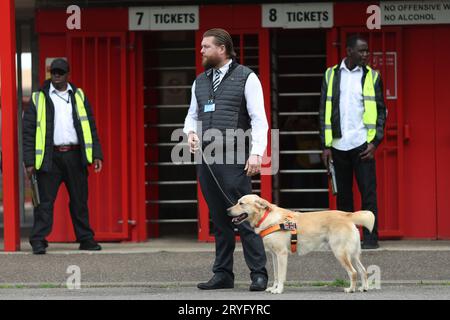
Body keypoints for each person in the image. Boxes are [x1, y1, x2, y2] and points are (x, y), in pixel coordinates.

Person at [183, 28, 269, 290]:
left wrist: (257, 153)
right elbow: (192, 115)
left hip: (234, 156)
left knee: (245, 217)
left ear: (222, 49)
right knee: (219, 219)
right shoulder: (200, 81)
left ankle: (259, 273)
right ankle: (223, 274)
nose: (201, 51)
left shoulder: (247, 77)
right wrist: (190, 134)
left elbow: (259, 118)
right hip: (206, 160)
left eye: (206, 47)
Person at [23, 59, 103, 254]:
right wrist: (30, 161)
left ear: (68, 74)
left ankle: (85, 239)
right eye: (54, 72)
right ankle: (38, 240)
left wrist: (97, 154)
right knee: (44, 202)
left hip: (75, 156)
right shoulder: (38, 98)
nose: (56, 75)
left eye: (60, 72)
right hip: (50, 157)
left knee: (79, 200)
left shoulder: (78, 96)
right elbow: (28, 132)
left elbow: (90, 126)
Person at [319, 35, 387, 250]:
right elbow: (323, 111)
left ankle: (370, 238)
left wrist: (375, 142)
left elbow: (381, 112)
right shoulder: (331, 75)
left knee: (368, 193)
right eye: (362, 51)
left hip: (362, 145)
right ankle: (346, 240)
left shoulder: (372, 77)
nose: (366, 55)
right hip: (338, 145)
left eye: (367, 51)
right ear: (349, 51)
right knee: (344, 198)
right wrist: (326, 145)